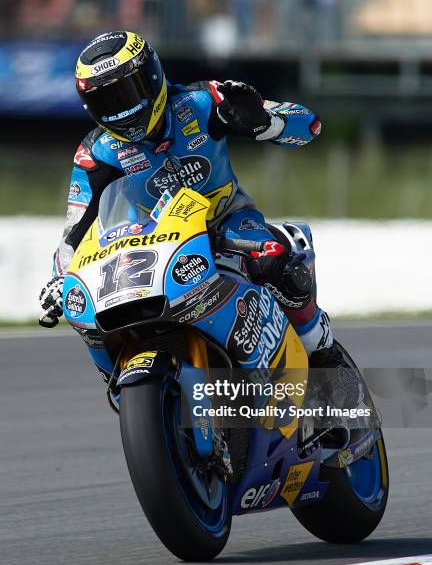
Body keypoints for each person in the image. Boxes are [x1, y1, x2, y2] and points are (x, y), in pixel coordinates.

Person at [39, 30, 357, 408]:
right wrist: (60, 279)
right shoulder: (96, 153)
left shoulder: (202, 101)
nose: (120, 108)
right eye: (104, 100)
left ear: (154, 77)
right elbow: (73, 235)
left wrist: (263, 120)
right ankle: (134, 387)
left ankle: (322, 355)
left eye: (127, 91)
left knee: (276, 260)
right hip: (150, 247)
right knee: (92, 314)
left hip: (225, 222)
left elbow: (310, 126)